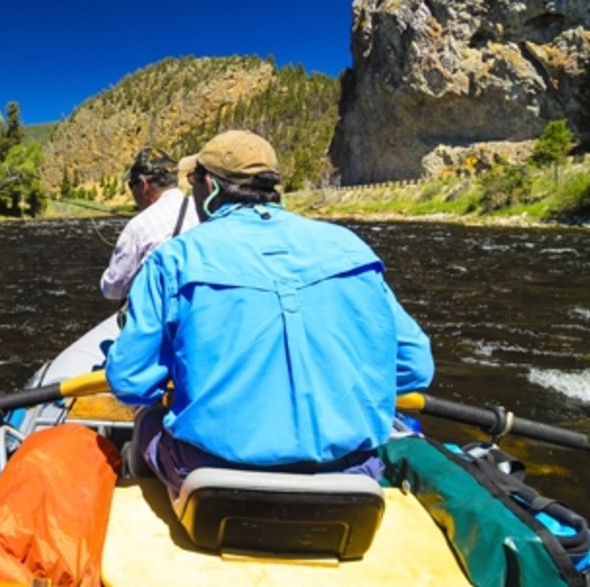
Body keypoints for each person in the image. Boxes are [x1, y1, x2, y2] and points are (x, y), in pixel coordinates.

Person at [104, 130, 434, 499]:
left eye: (194, 180)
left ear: (209, 186)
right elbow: (415, 366)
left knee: (148, 418)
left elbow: (131, 382)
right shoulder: (350, 248)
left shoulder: (174, 259)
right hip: (352, 479)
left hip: (209, 480)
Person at [99, 147, 199, 301]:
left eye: (131, 185)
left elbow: (113, 290)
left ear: (143, 185)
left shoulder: (137, 227)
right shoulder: (201, 208)